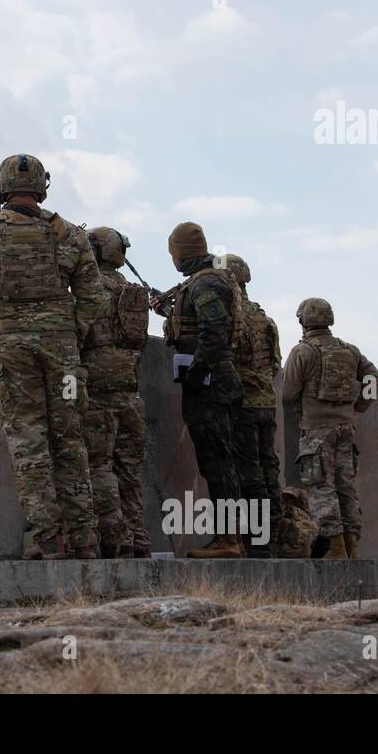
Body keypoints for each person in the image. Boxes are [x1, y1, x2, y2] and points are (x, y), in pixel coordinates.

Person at [0, 154, 106, 559]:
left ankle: (48, 539)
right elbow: (94, 295)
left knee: (29, 444)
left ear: (1, 186)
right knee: (71, 440)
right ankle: (86, 540)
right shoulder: (69, 234)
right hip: (63, 350)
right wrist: (71, 329)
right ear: (43, 186)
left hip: (13, 346)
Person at [151, 222, 245, 558]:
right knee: (220, 462)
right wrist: (166, 308)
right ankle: (230, 537)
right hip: (218, 382)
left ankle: (229, 540)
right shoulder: (211, 279)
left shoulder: (204, 283)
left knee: (218, 463)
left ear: (180, 254)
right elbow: (199, 319)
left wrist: (197, 371)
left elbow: (215, 327)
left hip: (210, 385)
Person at [280, 298, 378, 558]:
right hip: (346, 428)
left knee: (320, 486)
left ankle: (335, 546)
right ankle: (352, 545)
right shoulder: (349, 350)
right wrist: (359, 407)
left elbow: (289, 394)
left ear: (303, 320)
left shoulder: (302, 352)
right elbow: (374, 378)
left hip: (316, 430)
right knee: (345, 485)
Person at [81, 226, 153, 557]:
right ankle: (139, 537)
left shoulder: (88, 288)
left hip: (98, 391)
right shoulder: (133, 291)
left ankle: (115, 536)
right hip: (130, 392)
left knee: (99, 464)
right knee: (129, 469)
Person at [223, 254, 282, 558]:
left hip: (243, 402)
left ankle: (257, 543)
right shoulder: (264, 318)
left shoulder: (233, 315)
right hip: (267, 403)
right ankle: (274, 538)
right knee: (270, 470)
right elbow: (275, 364)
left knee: (250, 475)